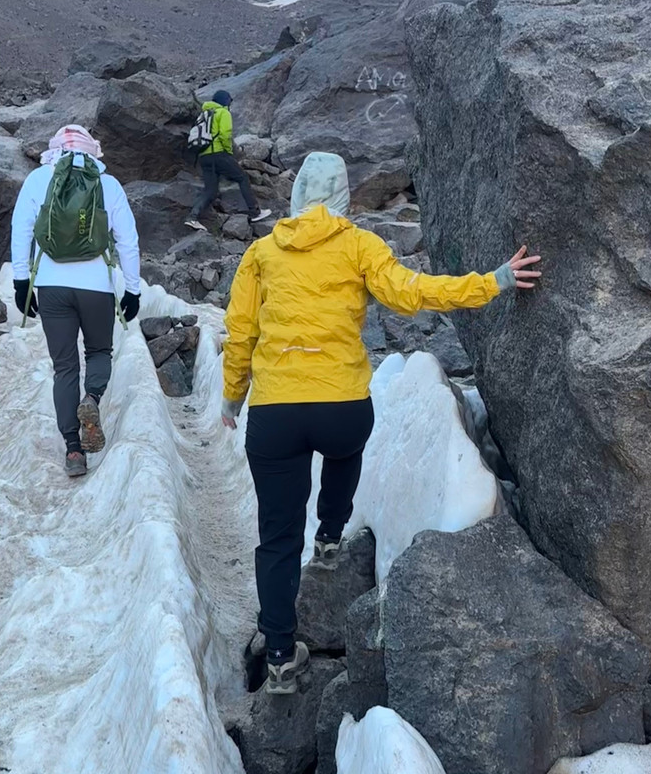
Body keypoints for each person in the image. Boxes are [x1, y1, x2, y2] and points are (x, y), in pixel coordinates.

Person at [220, 152, 542, 695]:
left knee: (275, 537)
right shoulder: (359, 246)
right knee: (344, 451)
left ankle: (279, 654)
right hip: (341, 406)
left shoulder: (260, 254)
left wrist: (233, 398)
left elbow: (240, 333)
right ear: (343, 196)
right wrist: (494, 280)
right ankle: (327, 535)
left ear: (296, 196)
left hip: (274, 412)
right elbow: (415, 293)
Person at [11, 125, 142, 478]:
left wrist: (22, 281)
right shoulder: (108, 184)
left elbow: (21, 229)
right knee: (99, 353)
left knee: (64, 366)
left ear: (55, 150)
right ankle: (92, 400)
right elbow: (127, 241)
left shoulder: (39, 179)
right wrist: (133, 288)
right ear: (92, 152)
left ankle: (72, 450)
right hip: (97, 286)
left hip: (51, 287)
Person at [184, 90, 272, 231]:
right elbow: (225, 135)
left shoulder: (204, 114)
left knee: (211, 191)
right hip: (218, 154)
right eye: (230, 101)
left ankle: (192, 218)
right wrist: (229, 153)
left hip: (203, 156)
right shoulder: (223, 113)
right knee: (242, 177)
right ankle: (255, 212)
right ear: (225, 101)